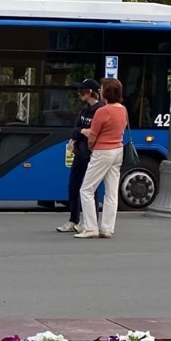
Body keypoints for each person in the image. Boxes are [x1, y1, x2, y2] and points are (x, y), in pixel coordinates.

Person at [75, 77, 129, 239]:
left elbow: (93, 136)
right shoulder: (123, 109)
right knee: (111, 192)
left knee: (86, 189)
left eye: (102, 88)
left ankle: (91, 227)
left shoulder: (102, 111)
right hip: (118, 150)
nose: (99, 90)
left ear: (106, 92)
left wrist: (91, 147)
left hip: (102, 151)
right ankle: (107, 228)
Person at [57, 79, 105, 233]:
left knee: (91, 188)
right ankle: (73, 219)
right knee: (74, 186)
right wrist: (82, 132)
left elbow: (96, 132)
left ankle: (90, 222)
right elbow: (75, 129)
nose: (79, 94)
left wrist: (82, 132)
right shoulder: (84, 110)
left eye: (82, 91)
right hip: (80, 152)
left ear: (90, 92)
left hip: (92, 153)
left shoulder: (100, 110)